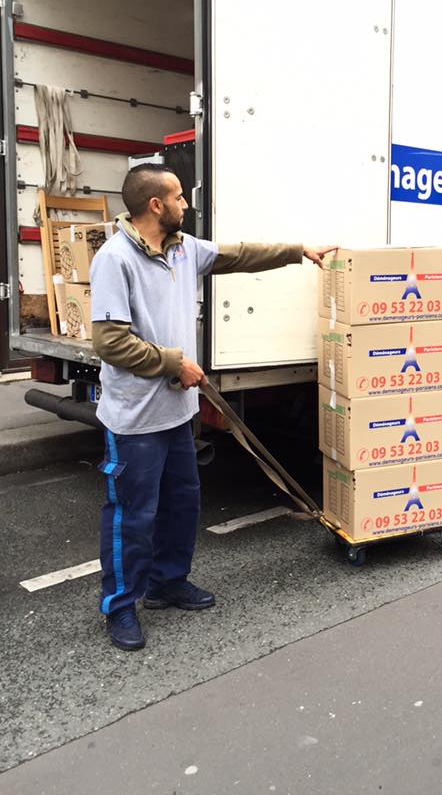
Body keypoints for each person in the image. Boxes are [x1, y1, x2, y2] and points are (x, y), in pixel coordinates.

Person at [90, 163, 335, 651]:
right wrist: (173, 363)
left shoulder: (183, 250)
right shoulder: (115, 259)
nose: (187, 205)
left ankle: (167, 583)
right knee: (132, 514)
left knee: (183, 503)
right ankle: (120, 606)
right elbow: (110, 341)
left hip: (178, 413)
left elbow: (237, 255)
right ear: (155, 205)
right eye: (179, 197)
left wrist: (297, 251)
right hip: (135, 417)